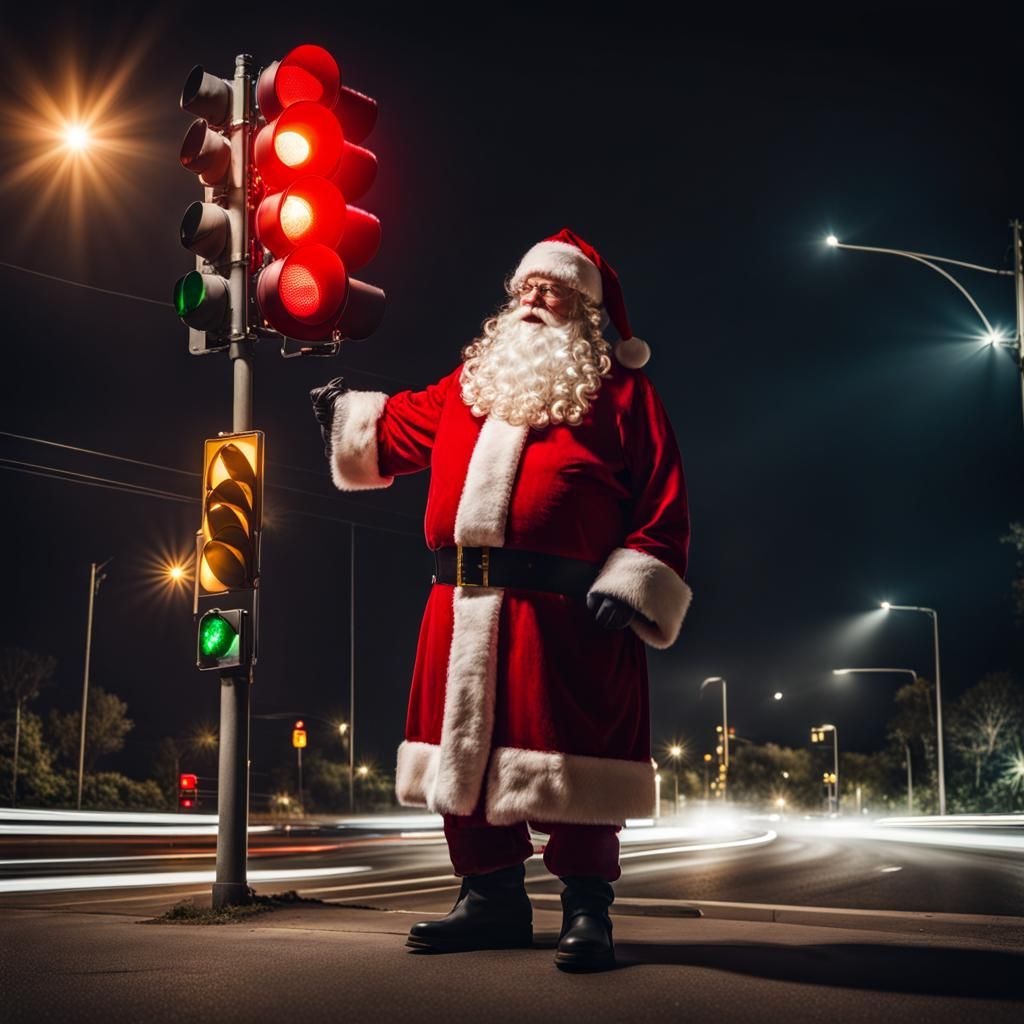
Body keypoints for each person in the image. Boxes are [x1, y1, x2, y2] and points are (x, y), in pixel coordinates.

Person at [310, 228, 691, 972]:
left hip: (569, 614)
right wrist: (345, 417)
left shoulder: (622, 392)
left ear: (584, 307)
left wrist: (635, 576)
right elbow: (397, 430)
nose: (533, 300)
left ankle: (587, 908)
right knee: (465, 760)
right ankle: (489, 898)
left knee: (571, 757)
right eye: (526, 287)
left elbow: (663, 501)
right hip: (459, 604)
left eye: (552, 290)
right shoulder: (471, 384)